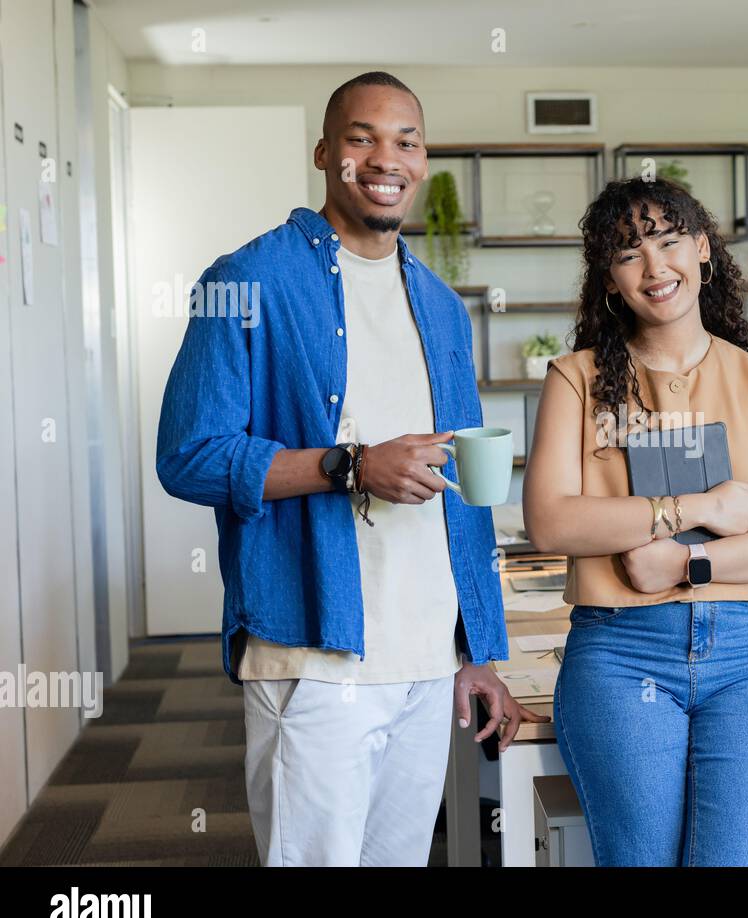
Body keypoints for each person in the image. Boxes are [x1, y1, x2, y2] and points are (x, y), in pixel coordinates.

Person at [156, 71, 544, 867]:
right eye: (362, 137)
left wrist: (478, 651)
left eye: (405, 140)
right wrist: (351, 466)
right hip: (315, 653)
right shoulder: (245, 280)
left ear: (423, 159)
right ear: (325, 152)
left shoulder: (439, 304)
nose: (385, 157)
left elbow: (465, 498)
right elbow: (188, 456)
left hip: (426, 660)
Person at [522, 176, 748, 866]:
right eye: (628, 254)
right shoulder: (575, 378)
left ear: (702, 250)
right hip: (619, 654)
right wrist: (693, 510)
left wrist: (693, 562)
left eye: (669, 242)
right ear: (609, 280)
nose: (655, 267)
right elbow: (551, 520)